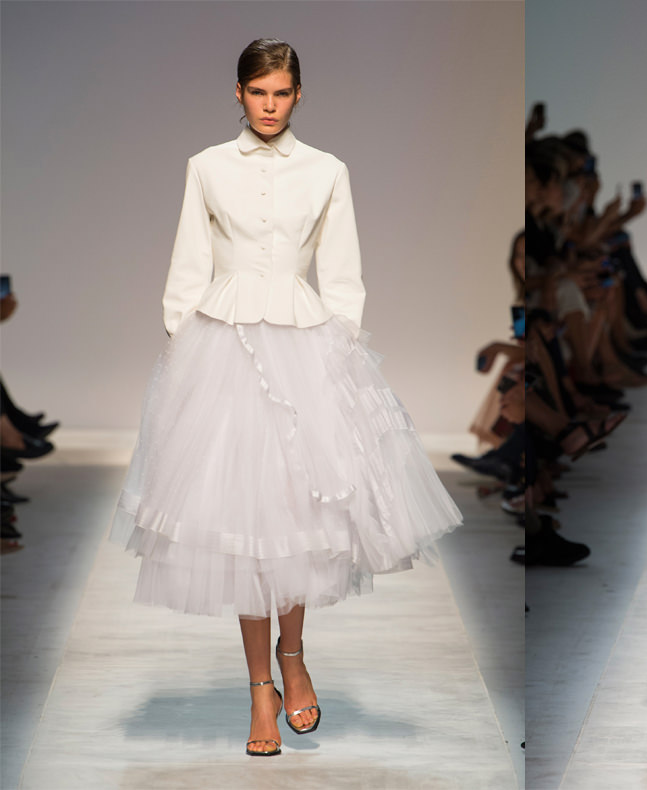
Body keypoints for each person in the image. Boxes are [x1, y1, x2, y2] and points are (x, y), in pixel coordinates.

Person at [108, 39, 462, 757]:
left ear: (299, 95)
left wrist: (341, 352)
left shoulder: (327, 170)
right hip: (224, 351)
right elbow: (188, 265)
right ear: (238, 93)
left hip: (306, 350)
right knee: (244, 526)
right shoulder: (206, 167)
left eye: (281, 93)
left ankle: (293, 659)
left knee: (300, 518)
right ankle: (259, 691)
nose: (269, 106)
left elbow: (343, 272)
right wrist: (184, 351)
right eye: (257, 92)